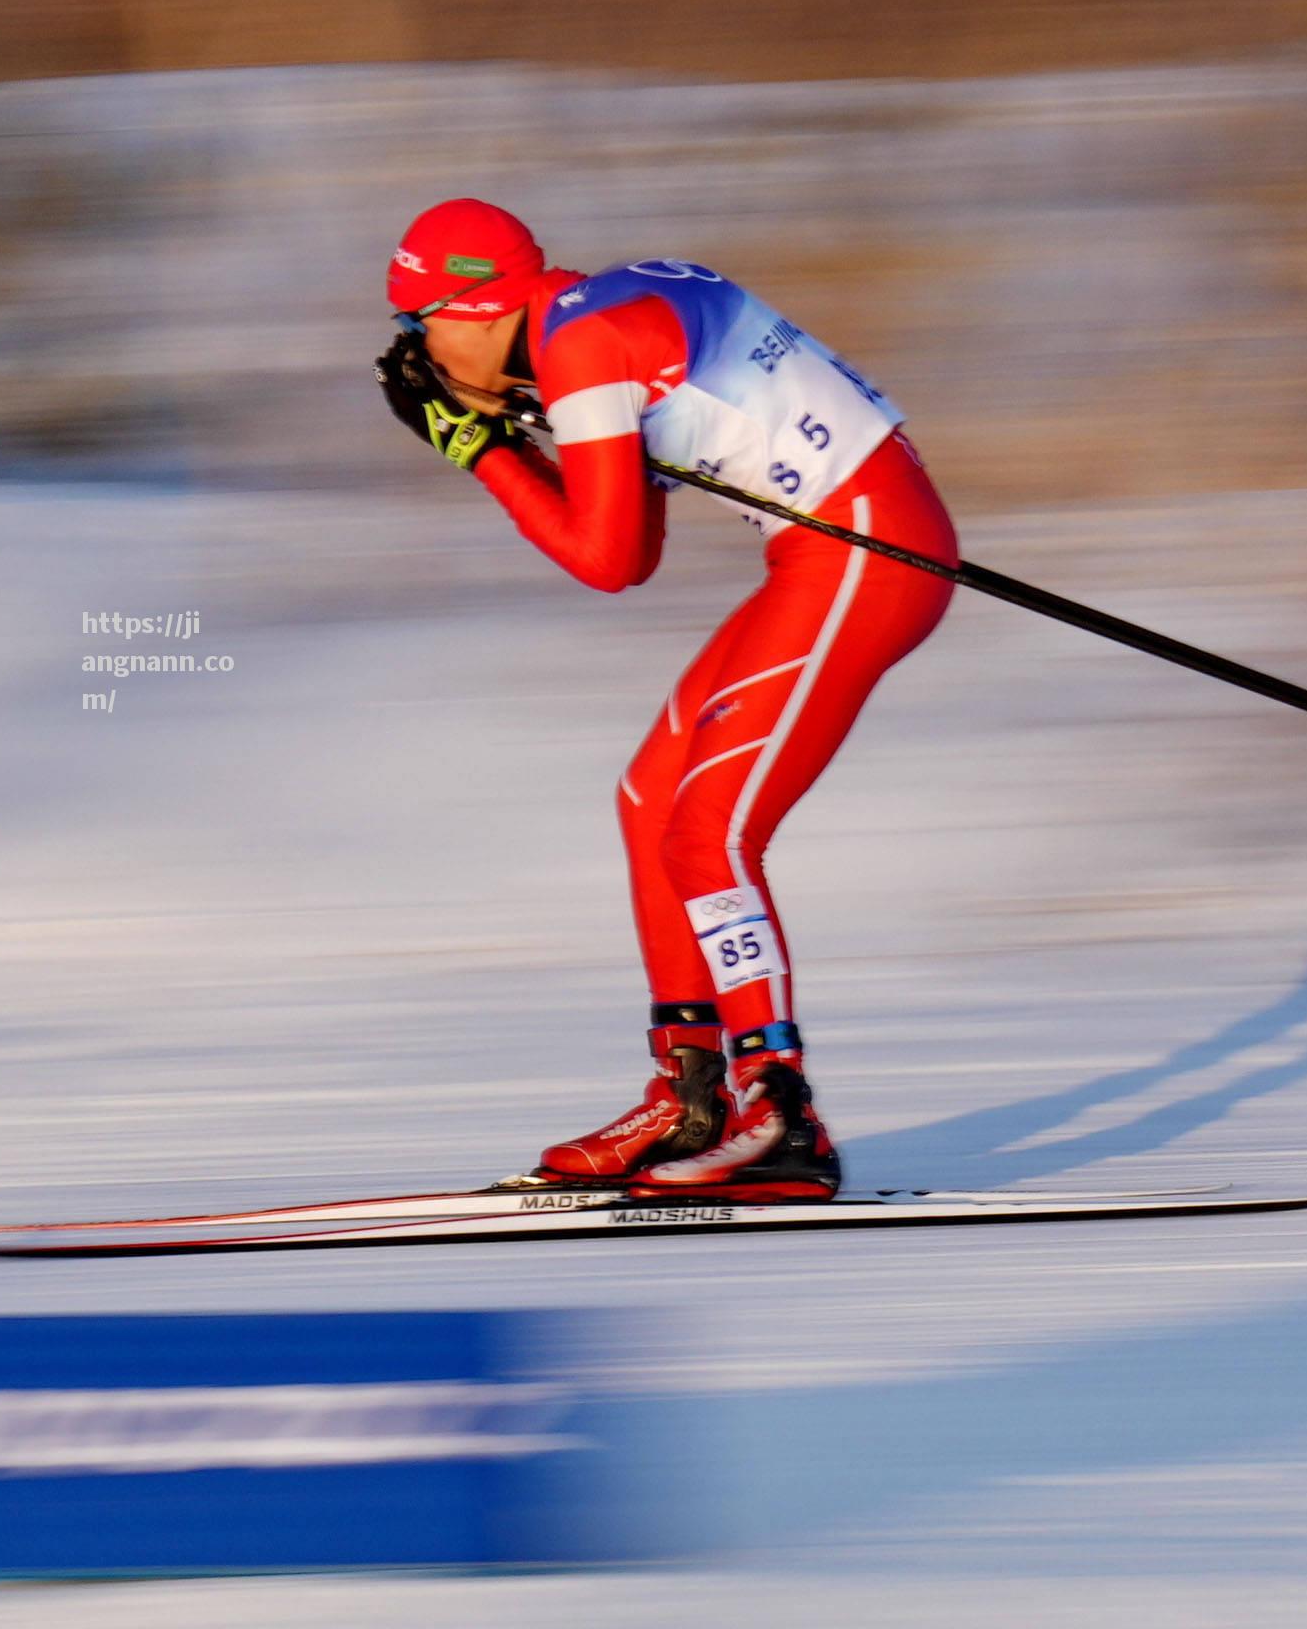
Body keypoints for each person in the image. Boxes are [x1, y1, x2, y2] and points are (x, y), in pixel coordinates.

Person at [376, 196, 958, 1191]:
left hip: (866, 548)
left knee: (708, 832)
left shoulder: (581, 346)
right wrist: (514, 426)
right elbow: (636, 550)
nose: (420, 352)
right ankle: (688, 1100)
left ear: (472, 309)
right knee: (652, 799)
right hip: (826, 547)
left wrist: (482, 452)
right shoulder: (585, 320)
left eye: (418, 324)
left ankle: (778, 1109)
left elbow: (603, 560)